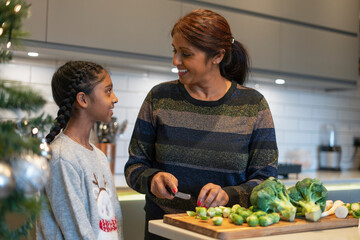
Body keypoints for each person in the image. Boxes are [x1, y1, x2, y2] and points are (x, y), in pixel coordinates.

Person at [124, 9, 278, 240]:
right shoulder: (159, 98)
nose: (175, 61)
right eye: (174, 51)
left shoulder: (253, 105)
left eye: (185, 54)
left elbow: (266, 180)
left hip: (227, 230)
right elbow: (134, 166)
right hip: (164, 230)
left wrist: (228, 195)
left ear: (217, 56)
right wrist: (153, 179)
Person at [37, 61, 123, 240]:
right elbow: (75, 232)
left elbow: (114, 223)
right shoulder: (61, 157)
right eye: (108, 91)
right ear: (83, 99)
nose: (115, 98)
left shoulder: (98, 156)